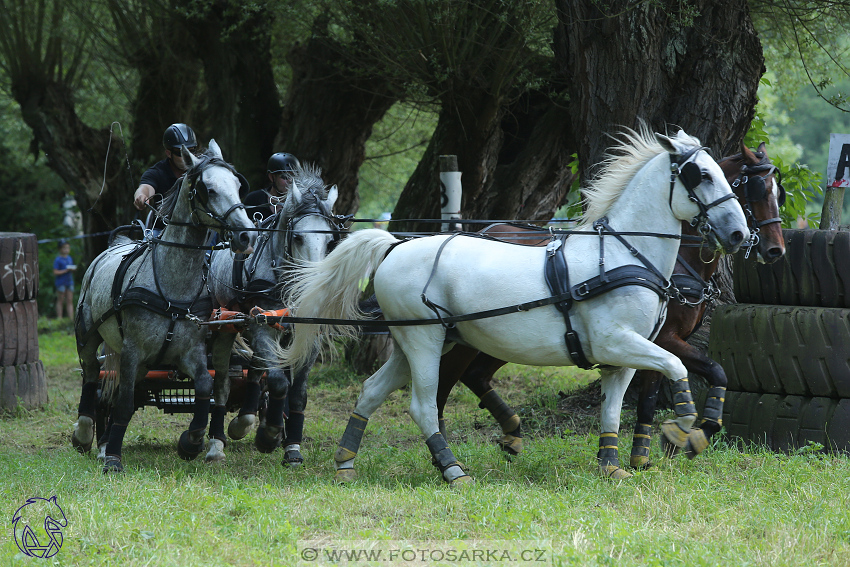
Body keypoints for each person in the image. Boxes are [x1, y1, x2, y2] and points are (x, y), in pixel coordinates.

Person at [133, 123, 199, 213]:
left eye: (191, 151)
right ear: (169, 153)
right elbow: (146, 187)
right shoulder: (157, 172)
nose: (188, 156)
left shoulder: (201, 170)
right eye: (181, 152)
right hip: (162, 226)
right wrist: (141, 195)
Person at [244, 152, 301, 221]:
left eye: (295, 176)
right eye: (285, 176)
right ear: (272, 177)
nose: (291, 181)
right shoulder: (253, 201)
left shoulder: (302, 203)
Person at [53, 239, 76, 319]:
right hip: (61, 282)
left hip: (69, 281)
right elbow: (55, 272)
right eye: (64, 248)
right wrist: (65, 271)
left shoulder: (69, 258)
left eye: (67, 248)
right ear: (60, 249)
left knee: (69, 300)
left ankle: (71, 318)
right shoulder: (58, 260)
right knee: (60, 300)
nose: (66, 250)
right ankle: (59, 317)